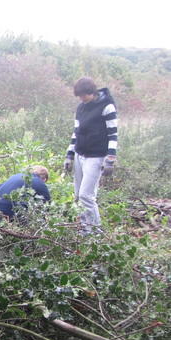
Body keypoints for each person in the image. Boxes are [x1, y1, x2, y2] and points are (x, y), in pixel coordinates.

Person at [63, 77, 118, 234]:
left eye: (83, 95)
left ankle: (95, 231)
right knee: (78, 195)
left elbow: (113, 134)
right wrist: (69, 155)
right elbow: (76, 132)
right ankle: (85, 228)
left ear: (91, 92)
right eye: (79, 96)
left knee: (86, 195)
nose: (81, 98)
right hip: (80, 154)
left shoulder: (107, 106)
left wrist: (110, 159)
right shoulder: (81, 108)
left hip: (96, 156)